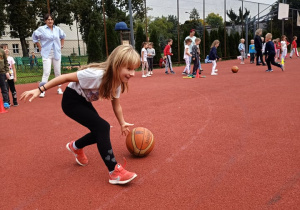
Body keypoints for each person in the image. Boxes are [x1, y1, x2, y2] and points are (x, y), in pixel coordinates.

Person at [20, 45, 139, 185]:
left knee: (99, 130)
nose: (133, 73)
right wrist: (40, 89)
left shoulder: (117, 82)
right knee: (103, 127)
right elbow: (64, 78)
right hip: (71, 101)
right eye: (129, 69)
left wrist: (122, 122)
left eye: (134, 69)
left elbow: (116, 104)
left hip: (83, 101)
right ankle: (114, 172)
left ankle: (75, 146)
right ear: (116, 65)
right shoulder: (95, 74)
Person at [32, 13, 66, 98]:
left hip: (56, 52)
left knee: (58, 72)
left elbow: (63, 36)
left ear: (53, 20)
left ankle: (59, 88)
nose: (50, 21)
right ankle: (42, 90)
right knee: (46, 72)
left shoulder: (57, 29)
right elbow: (34, 37)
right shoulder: (41, 29)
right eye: (48, 20)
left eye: (51, 19)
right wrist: (39, 46)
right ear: (45, 21)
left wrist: (61, 45)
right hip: (46, 53)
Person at [0, 44, 10, 109]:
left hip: (2, 73)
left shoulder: (2, 51)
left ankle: (6, 102)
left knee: (4, 88)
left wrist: (7, 71)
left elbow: (6, 62)